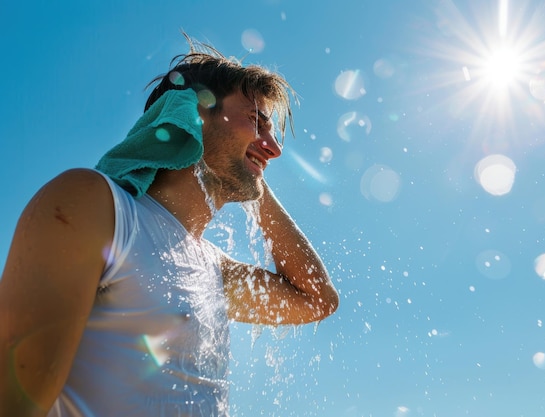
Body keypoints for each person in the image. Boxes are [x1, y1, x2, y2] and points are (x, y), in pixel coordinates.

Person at [0, 35, 339, 417]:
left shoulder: (214, 269)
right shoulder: (97, 206)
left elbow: (316, 300)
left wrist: (254, 177)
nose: (274, 147)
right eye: (257, 121)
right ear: (191, 114)